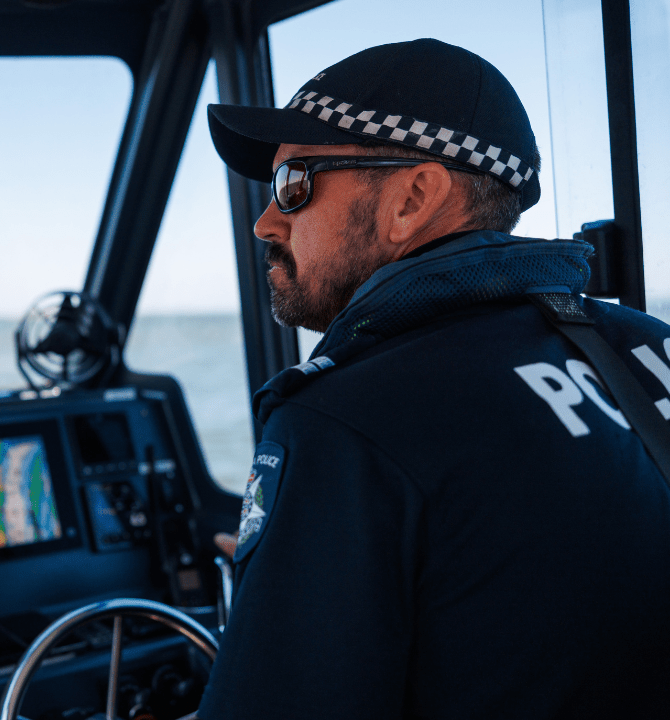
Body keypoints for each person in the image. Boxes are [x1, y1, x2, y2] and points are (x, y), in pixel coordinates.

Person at [195, 38, 670, 718]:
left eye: (293, 183)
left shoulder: (345, 423)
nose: (265, 220)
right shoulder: (649, 346)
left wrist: (291, 576)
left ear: (413, 198)